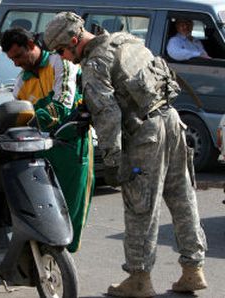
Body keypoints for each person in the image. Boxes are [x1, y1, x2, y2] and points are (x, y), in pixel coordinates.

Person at [44, 12, 207, 297]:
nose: (65, 59)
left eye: (62, 51)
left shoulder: (95, 64)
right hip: (172, 121)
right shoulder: (126, 40)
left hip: (145, 134)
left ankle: (139, 278)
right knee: (182, 196)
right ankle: (193, 270)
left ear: (73, 40)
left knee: (139, 205)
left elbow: (107, 114)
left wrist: (112, 161)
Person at [1, 27, 94, 253]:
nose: (16, 63)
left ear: (32, 45)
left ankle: (65, 262)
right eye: (11, 59)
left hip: (72, 146)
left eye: (19, 56)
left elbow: (61, 106)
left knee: (71, 213)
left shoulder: (61, 62)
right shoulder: (21, 81)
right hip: (39, 150)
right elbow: (14, 114)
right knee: (41, 209)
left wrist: (32, 118)